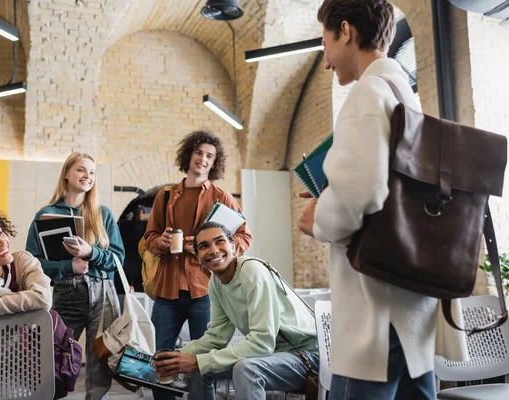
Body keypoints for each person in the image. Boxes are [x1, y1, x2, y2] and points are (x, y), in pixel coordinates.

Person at [298, 1, 467, 399]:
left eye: (326, 44)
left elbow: (363, 196)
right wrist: (335, 187)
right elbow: (389, 191)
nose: (326, 63)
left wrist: (318, 215)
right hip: (411, 303)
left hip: (375, 309)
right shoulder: (401, 91)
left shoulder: (367, 95)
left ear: (345, 31)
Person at [143, 129, 253, 400]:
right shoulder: (165, 196)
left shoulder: (222, 197)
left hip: (205, 291)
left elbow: (244, 237)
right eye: (198, 153)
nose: (203, 159)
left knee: (203, 364)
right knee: (162, 362)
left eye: (209, 156)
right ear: (188, 155)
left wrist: (211, 248)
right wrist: (163, 242)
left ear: (214, 163)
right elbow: (149, 238)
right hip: (167, 292)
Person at [153, 222, 318, 399]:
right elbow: (216, 337)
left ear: (233, 246)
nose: (213, 250)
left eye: (219, 241)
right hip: (274, 355)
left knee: (245, 368)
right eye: (204, 246)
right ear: (197, 256)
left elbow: (262, 343)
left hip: (307, 356)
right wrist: (178, 356)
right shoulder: (215, 283)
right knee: (200, 369)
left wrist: (198, 361)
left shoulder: (251, 271)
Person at [25, 152, 125, 400]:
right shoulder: (45, 214)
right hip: (64, 292)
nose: (87, 176)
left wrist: (91, 252)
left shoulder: (103, 215)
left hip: (103, 294)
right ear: (67, 173)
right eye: (81, 170)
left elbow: (118, 260)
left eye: (92, 172)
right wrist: (68, 266)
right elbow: (31, 263)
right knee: (54, 358)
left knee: (100, 362)